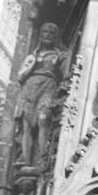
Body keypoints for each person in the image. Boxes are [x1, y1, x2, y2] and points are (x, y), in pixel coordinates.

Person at [13, 23, 68, 174]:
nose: (47, 35)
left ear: (56, 37)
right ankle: (25, 158)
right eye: (44, 32)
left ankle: (43, 157)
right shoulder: (32, 56)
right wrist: (30, 66)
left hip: (48, 86)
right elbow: (20, 76)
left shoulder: (59, 56)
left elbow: (66, 75)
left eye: (51, 33)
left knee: (43, 118)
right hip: (30, 88)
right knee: (26, 124)